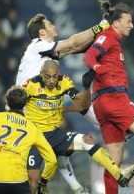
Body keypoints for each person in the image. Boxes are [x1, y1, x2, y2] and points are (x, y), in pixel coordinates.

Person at [15, 13, 109, 194]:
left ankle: (77, 188)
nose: (54, 26)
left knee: (80, 104)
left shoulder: (45, 51)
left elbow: (76, 47)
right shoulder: (38, 46)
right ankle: (106, 127)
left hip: (40, 101)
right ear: (42, 32)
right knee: (32, 179)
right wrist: (101, 27)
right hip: (30, 108)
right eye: (50, 24)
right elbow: (73, 43)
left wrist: (100, 38)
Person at [83, 0, 134, 194]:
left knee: (114, 162)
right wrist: (97, 67)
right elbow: (89, 56)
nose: (132, 25)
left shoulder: (114, 42)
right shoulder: (107, 36)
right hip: (113, 99)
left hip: (105, 103)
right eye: (128, 21)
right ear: (116, 23)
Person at [22, 60, 134, 194]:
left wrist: (85, 87)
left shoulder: (64, 82)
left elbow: (83, 104)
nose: (51, 81)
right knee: (33, 183)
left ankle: (120, 175)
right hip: (34, 138)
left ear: (59, 74)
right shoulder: (30, 85)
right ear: (41, 74)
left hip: (54, 134)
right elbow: (12, 102)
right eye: (47, 77)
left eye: (54, 76)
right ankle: (78, 190)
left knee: (87, 140)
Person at [0, 86, 57, 194]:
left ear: (7, 101)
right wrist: (44, 181)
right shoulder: (33, 128)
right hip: (18, 181)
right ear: (25, 104)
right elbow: (52, 160)